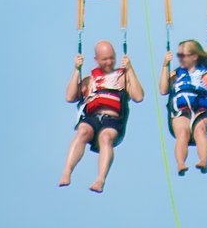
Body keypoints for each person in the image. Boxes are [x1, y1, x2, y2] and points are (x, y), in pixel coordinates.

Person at [58, 39, 144, 193]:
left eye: (112, 58)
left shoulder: (122, 77)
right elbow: (70, 97)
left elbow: (138, 96)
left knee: (106, 137)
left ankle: (100, 179)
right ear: (96, 59)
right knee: (83, 131)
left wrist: (130, 69)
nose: (109, 62)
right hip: (92, 118)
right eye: (105, 59)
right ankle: (66, 172)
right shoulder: (90, 80)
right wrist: (76, 69)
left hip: (113, 121)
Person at [159, 40, 207, 175]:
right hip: (180, 110)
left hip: (200, 108)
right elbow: (163, 90)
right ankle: (180, 163)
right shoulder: (176, 74)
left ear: (194, 56)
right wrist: (165, 65)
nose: (180, 58)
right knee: (182, 133)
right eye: (179, 55)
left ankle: (203, 160)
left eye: (184, 55)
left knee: (200, 131)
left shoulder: (205, 73)